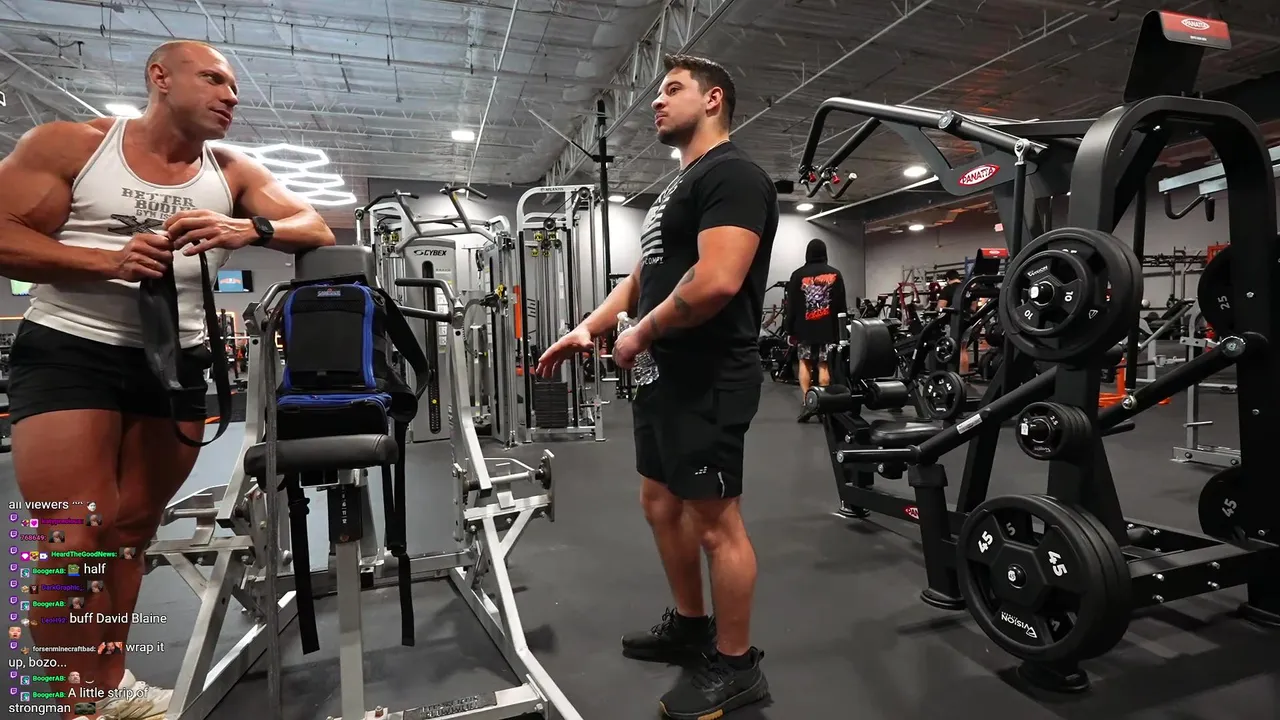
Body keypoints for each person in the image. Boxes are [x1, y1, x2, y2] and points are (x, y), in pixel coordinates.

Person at [0, 39, 335, 720]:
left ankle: (110, 688)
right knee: (71, 538)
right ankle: (74, 703)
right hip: (72, 348)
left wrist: (247, 228)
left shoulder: (231, 170)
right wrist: (105, 262)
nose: (229, 96)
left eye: (233, 87)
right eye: (212, 79)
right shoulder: (73, 146)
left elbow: (316, 228)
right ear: (159, 77)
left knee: (130, 531)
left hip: (175, 360)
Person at [536, 54, 776, 719]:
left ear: (714, 99)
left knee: (715, 522)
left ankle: (738, 667)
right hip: (661, 375)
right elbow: (642, 278)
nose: (656, 102)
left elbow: (718, 280)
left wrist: (641, 333)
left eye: (672, 89)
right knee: (660, 502)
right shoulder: (677, 188)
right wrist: (589, 328)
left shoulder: (733, 175)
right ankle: (692, 627)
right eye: (657, 92)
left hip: (709, 374)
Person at [783, 238, 847, 422]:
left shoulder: (797, 275)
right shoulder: (835, 274)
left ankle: (808, 402)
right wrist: (842, 329)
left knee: (805, 363)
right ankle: (823, 405)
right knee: (824, 365)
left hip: (804, 330)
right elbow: (841, 305)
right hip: (828, 329)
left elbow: (791, 306)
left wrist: (789, 329)